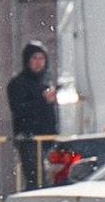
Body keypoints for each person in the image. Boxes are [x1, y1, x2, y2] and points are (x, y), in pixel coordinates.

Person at [5, 43, 63, 190]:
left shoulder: (45, 81)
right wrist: (42, 99)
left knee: (52, 178)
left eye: (41, 58)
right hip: (29, 139)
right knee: (35, 178)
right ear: (28, 60)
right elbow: (19, 109)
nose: (38, 62)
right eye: (35, 58)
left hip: (48, 138)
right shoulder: (18, 83)